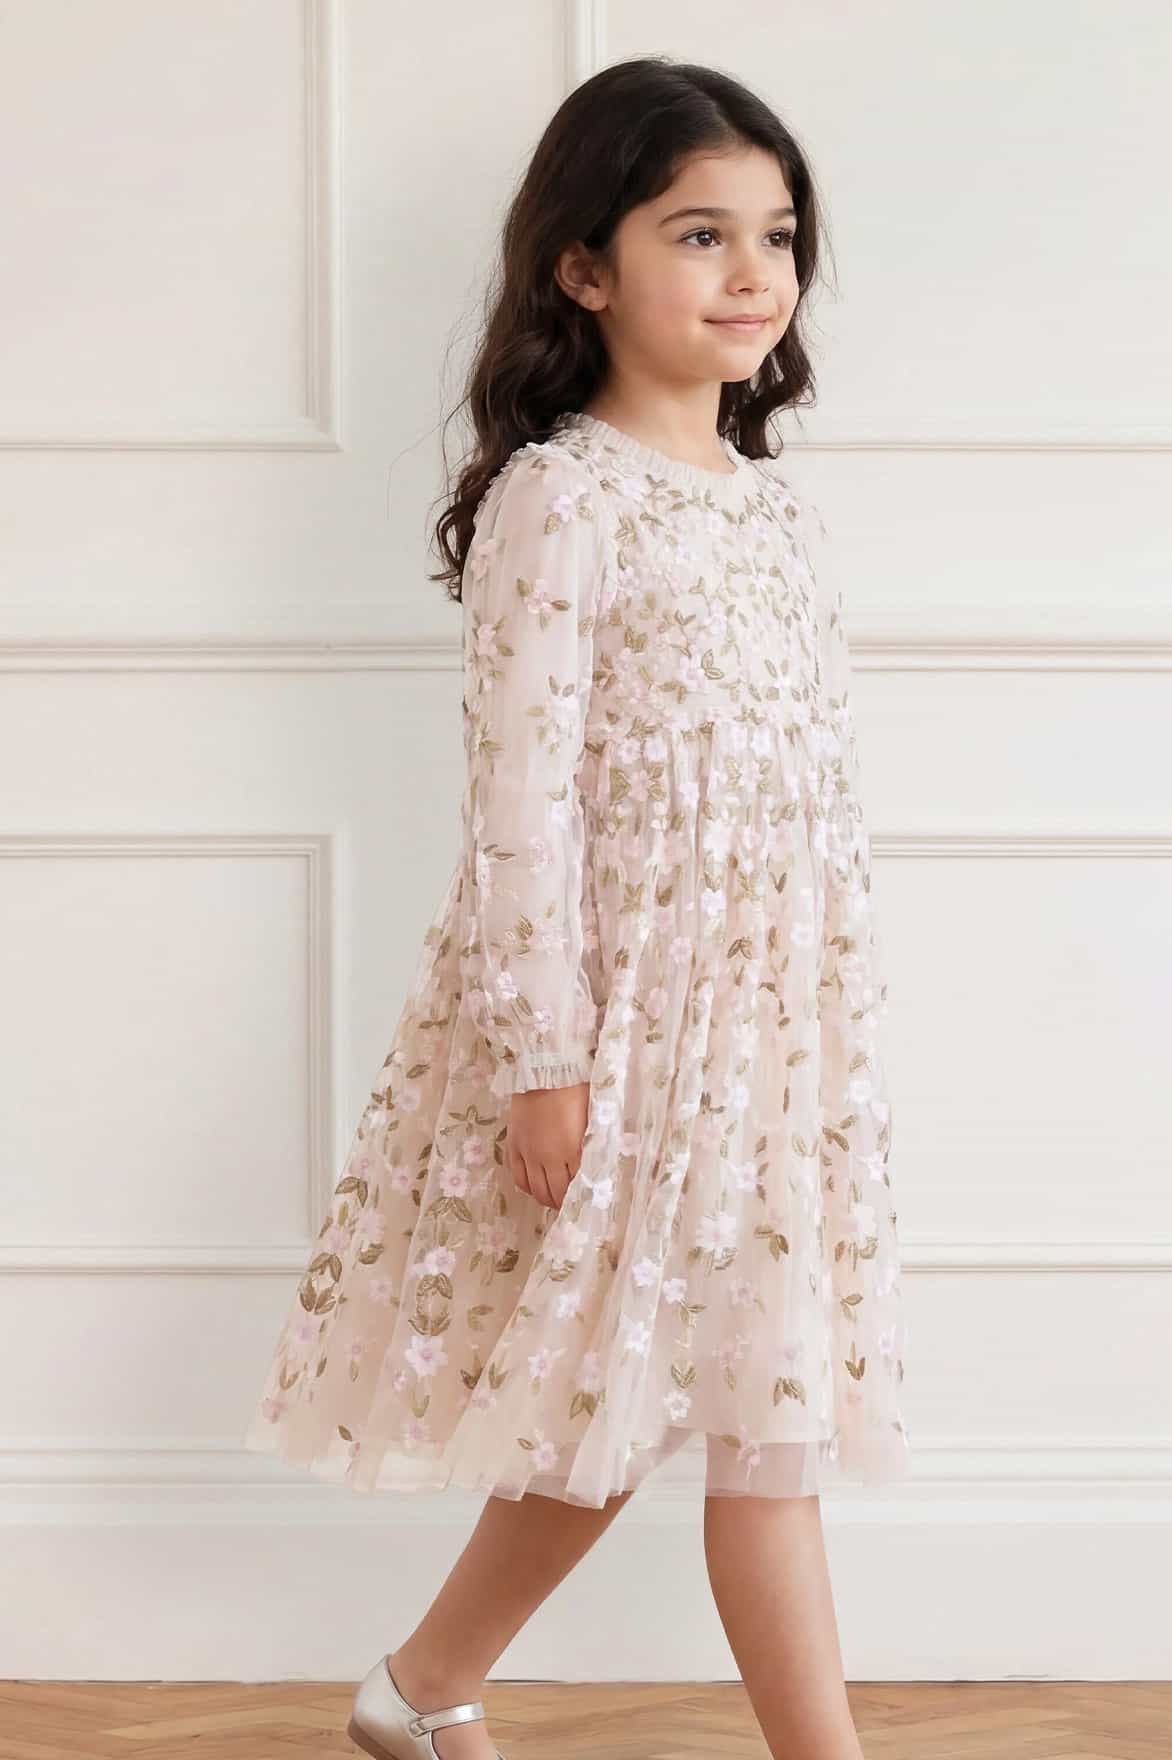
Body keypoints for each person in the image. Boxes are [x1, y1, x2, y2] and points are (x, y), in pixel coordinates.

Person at [245, 53, 911, 1760]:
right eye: (701, 233)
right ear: (584, 268)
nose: (754, 271)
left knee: (728, 1406)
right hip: (622, 1037)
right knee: (643, 1410)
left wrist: (826, 1038)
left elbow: (805, 807)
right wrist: (546, 1057)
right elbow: (519, 807)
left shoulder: (778, 518)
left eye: (777, 234)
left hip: (766, 1041)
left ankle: (417, 1690)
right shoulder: (564, 499)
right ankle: (427, 1690)